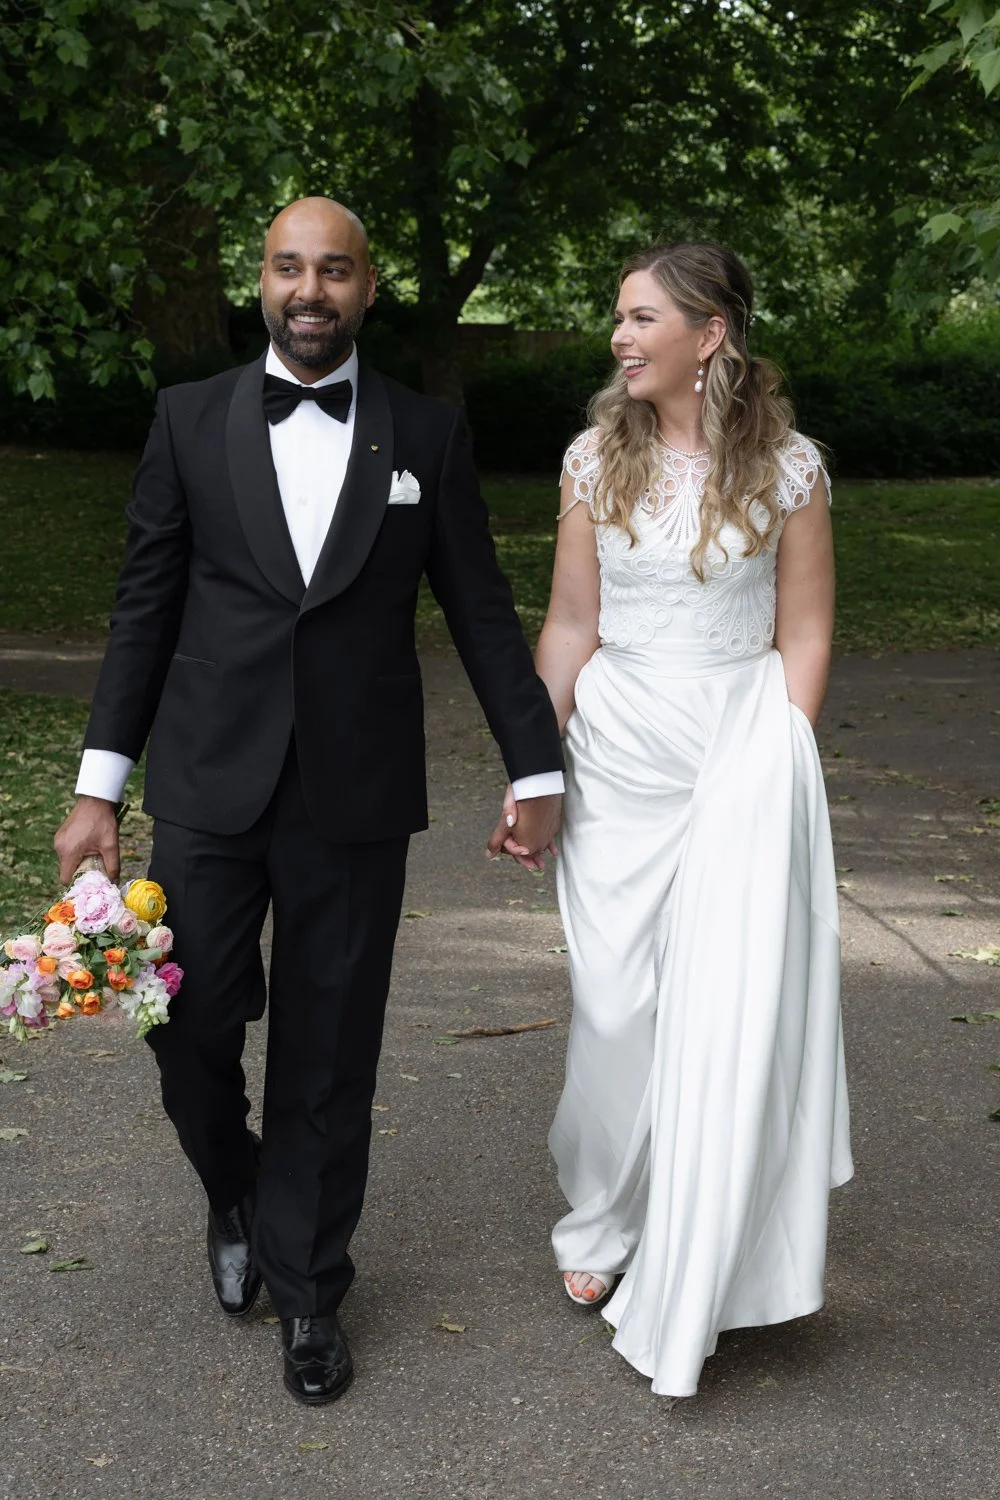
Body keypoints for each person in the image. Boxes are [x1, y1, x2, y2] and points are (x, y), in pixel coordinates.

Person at [54, 196, 564, 1406]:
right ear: (262, 281)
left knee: (331, 1054)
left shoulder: (427, 434)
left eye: (334, 270)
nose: (311, 291)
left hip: (354, 793)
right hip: (208, 784)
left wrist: (536, 769)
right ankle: (232, 1185)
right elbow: (145, 607)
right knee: (188, 1028)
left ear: (368, 287)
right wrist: (97, 786)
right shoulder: (188, 420)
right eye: (290, 268)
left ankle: (310, 1291)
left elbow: (483, 614)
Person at [491, 242, 853, 1399]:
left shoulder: (790, 471)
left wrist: (779, 761)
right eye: (618, 317)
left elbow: (801, 631)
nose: (618, 336)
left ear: (710, 335)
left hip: (739, 758)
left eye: (641, 316)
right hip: (617, 755)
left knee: (722, 1008)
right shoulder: (593, 462)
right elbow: (565, 625)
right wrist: (530, 769)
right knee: (614, 1006)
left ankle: (705, 1241)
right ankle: (601, 1211)